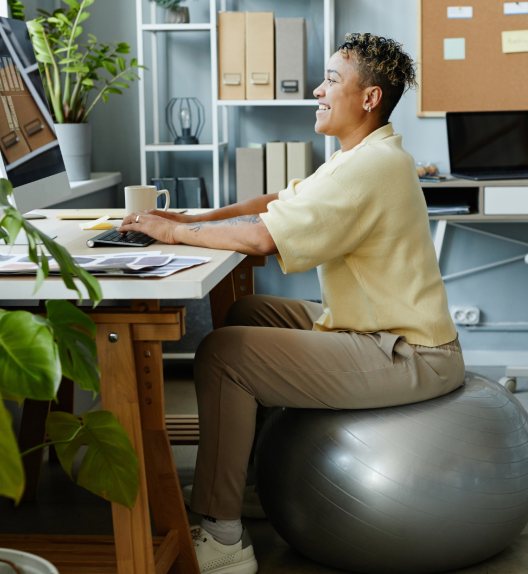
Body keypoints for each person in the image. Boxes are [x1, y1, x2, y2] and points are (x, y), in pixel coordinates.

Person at [118, 32, 464, 574]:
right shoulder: (362, 154)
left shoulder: (369, 167)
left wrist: (166, 232)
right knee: (249, 314)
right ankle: (251, 482)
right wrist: (192, 220)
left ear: (369, 98)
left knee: (225, 355)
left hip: (408, 353)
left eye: (330, 80)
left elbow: (260, 238)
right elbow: (277, 203)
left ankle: (222, 537)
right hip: (374, 331)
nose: (315, 91)